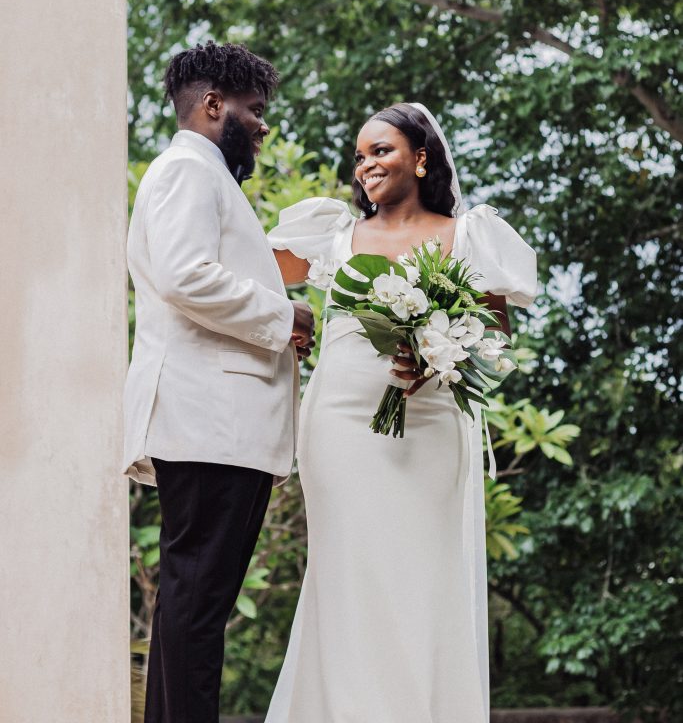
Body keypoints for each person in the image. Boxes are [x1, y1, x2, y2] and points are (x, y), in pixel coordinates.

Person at [265, 102, 537, 723]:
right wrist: (294, 325)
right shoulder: (332, 234)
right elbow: (254, 278)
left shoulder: (469, 235)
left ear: (420, 157)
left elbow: (495, 342)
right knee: (348, 572)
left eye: (380, 150)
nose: (366, 165)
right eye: (360, 155)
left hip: (434, 427)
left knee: (421, 576)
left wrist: (440, 357)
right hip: (339, 426)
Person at [122, 41, 315, 723]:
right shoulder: (187, 171)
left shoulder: (200, 176)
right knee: (196, 608)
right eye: (254, 110)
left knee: (190, 604)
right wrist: (283, 315)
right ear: (212, 106)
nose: (262, 126)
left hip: (214, 428)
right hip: (211, 426)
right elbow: (185, 276)